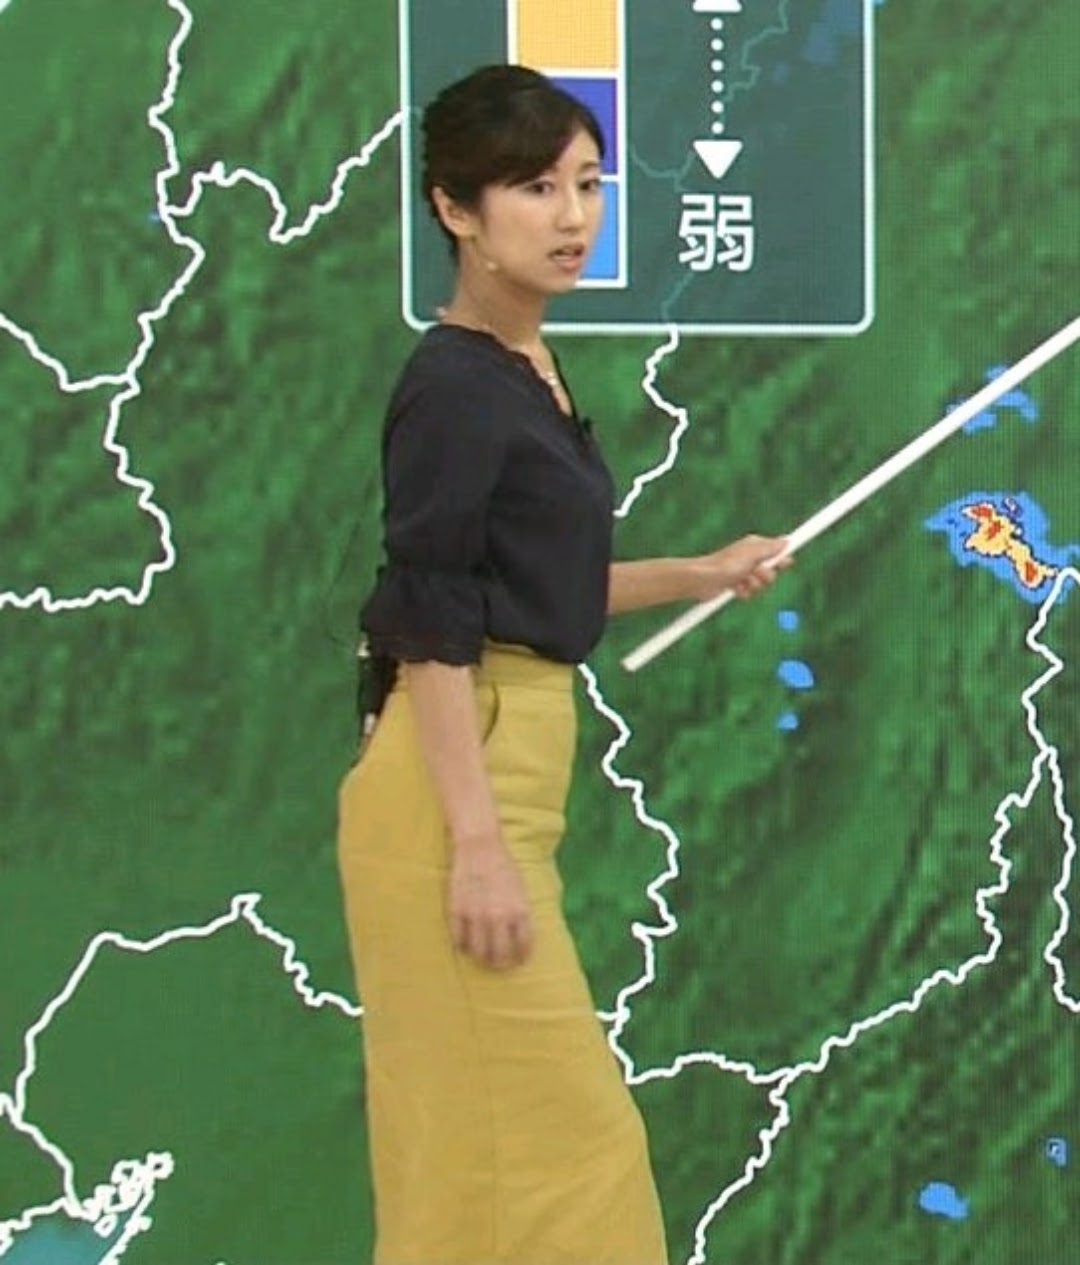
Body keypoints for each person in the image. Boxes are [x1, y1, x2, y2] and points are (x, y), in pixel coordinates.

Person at [336, 64, 789, 1265]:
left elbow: (532, 590)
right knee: (549, 1161)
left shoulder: (524, 365)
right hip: (456, 788)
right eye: (535, 188)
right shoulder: (453, 386)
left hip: (500, 772)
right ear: (455, 208)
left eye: (588, 183)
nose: (574, 215)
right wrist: (474, 843)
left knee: (487, 1166)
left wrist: (699, 571)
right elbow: (433, 616)